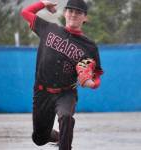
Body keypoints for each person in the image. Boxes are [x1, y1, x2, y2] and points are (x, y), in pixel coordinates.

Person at [21, 0, 103, 149]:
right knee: (39, 138)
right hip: (41, 92)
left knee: (65, 116)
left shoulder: (89, 46)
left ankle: (65, 145)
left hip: (66, 92)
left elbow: (96, 72)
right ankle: (60, 136)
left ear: (85, 18)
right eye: (70, 11)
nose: (73, 14)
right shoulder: (49, 28)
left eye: (78, 12)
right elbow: (25, 13)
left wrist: (93, 83)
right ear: (65, 13)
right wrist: (43, 3)